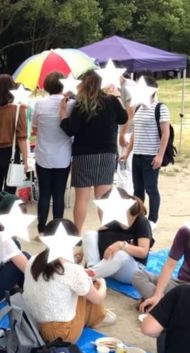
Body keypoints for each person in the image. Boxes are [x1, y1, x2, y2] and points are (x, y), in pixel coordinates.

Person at [59, 70, 128, 234]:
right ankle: (105, 232)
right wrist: (118, 96)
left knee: (81, 199)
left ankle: (77, 233)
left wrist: (63, 114)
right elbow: (124, 118)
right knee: (103, 198)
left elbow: (70, 130)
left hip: (83, 155)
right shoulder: (111, 101)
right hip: (107, 154)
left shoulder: (80, 104)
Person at [23, 219, 113, 343]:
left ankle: (100, 315)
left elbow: (57, 275)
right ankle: (100, 316)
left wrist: (82, 275)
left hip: (32, 325)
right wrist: (103, 284)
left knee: (82, 285)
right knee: (92, 287)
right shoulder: (72, 270)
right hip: (61, 335)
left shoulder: (32, 260)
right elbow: (98, 298)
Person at [120, 76, 169, 227]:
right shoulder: (138, 108)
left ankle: (153, 220)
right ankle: (139, 217)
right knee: (138, 189)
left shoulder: (160, 108)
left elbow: (165, 133)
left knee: (151, 189)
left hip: (151, 156)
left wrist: (160, 155)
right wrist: (127, 152)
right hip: (137, 155)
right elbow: (136, 132)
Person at [31, 72, 74, 231]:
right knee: (58, 194)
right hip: (63, 157)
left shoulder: (39, 104)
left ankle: (41, 228)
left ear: (47, 86)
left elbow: (34, 128)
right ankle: (57, 229)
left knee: (44, 193)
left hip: (43, 155)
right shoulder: (71, 105)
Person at [83, 187, 152, 284]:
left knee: (121, 254)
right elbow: (95, 237)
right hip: (109, 266)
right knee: (90, 235)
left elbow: (143, 252)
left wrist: (121, 245)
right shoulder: (114, 220)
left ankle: (88, 275)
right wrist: (81, 250)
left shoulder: (141, 222)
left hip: (132, 270)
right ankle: (93, 271)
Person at [0, 74, 28, 216]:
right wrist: (26, 160)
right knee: (10, 191)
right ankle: (8, 220)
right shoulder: (18, 109)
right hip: (12, 154)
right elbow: (21, 138)